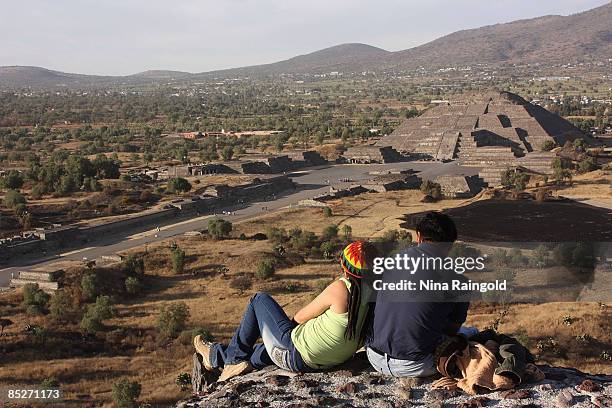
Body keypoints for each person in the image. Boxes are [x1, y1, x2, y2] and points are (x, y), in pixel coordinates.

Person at [194, 241, 377, 382]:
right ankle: (216, 355)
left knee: (259, 300)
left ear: (344, 267)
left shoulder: (341, 289)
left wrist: (282, 332)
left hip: (298, 356)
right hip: (325, 361)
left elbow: (300, 318)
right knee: (262, 348)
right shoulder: (378, 293)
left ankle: (232, 361)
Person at [366, 211, 474, 377]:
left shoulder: (391, 261)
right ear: (451, 245)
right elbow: (451, 331)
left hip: (374, 357)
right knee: (471, 332)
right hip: (416, 366)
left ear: (419, 237)